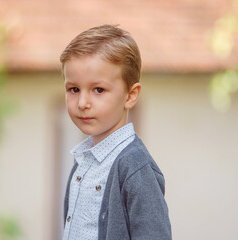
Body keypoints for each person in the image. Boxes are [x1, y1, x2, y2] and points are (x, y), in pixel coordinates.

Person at [60, 24, 172, 240]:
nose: (83, 103)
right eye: (74, 89)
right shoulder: (82, 162)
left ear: (130, 95)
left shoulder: (135, 168)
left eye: (98, 90)